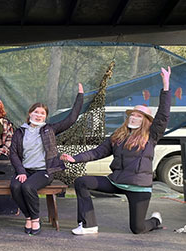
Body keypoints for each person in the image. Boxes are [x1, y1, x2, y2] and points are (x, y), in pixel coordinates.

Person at [61, 67, 171, 235]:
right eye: (132, 115)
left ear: (147, 121)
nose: (134, 117)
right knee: (81, 182)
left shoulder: (151, 135)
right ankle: (88, 225)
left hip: (138, 187)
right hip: (116, 181)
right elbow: (98, 152)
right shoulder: (118, 136)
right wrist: (75, 159)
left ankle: (155, 220)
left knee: (138, 228)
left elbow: (163, 116)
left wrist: (166, 86)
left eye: (139, 116)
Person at [10, 83, 84, 235]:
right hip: (25, 170)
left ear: (45, 116)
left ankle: (35, 219)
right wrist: (21, 171)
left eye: (42, 113)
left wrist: (80, 97)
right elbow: (13, 154)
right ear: (30, 114)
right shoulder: (20, 132)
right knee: (15, 187)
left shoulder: (49, 129)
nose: (39, 115)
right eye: (36, 112)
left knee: (28, 187)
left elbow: (71, 118)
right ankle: (29, 217)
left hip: (44, 171)